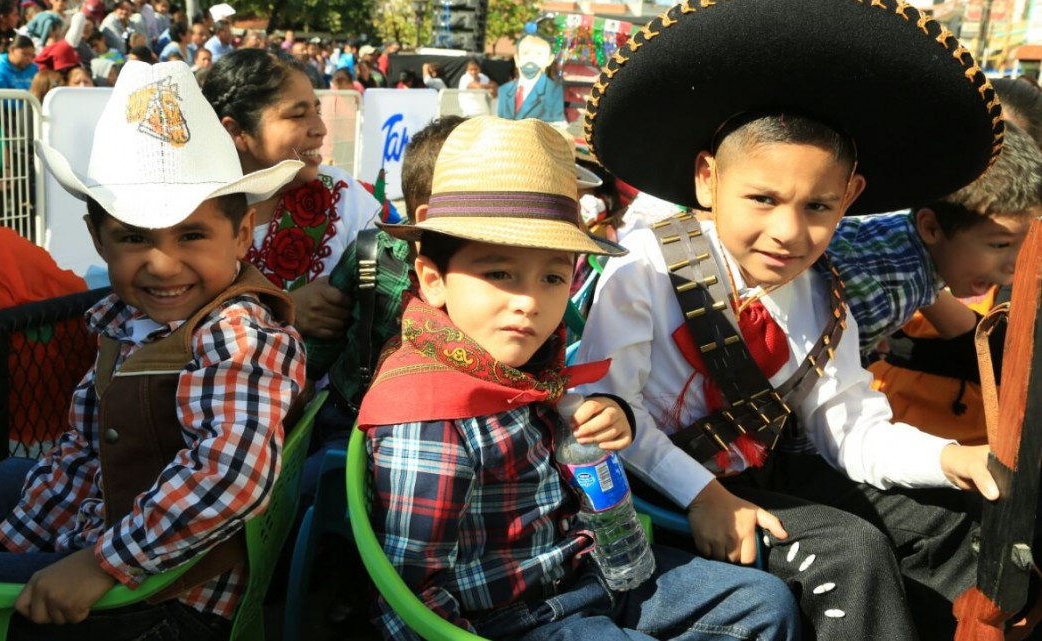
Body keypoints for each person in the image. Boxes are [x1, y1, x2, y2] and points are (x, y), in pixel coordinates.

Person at [576, 1, 1009, 639]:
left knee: (950, 522)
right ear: (707, 179)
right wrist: (703, 495)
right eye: (762, 199)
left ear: (852, 198)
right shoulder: (644, 270)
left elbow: (853, 431)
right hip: (652, 492)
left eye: (818, 206)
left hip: (760, 478)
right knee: (847, 551)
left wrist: (953, 459)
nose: (788, 231)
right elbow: (604, 415)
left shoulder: (820, 296)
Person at [0, 60, 307, 641]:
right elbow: (85, 448)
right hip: (140, 550)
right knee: (2, 485)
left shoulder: (237, 332)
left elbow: (230, 473)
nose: (163, 264)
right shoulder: (129, 320)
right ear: (99, 239)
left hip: (170, 597)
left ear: (241, 236)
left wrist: (95, 566)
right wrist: (43, 554)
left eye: (191, 235)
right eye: (135, 237)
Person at [357, 116, 801, 641]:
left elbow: (575, 455)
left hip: (590, 577)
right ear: (433, 280)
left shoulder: (527, 367)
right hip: (513, 620)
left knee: (764, 603)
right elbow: (409, 598)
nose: (528, 301)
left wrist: (617, 417)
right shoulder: (428, 412)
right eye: (498, 273)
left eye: (552, 277)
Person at [845, 123, 1042, 445]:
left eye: (1027, 244)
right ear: (931, 228)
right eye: (1000, 245)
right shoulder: (886, 290)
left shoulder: (901, 238)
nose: (1015, 264)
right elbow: (817, 383)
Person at [301, 114, 465, 494]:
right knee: (312, 495)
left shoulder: (485, 278)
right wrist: (303, 387)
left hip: (433, 433)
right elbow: (327, 336)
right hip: (348, 417)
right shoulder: (370, 253)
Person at [203, 49, 381, 340]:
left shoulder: (344, 197)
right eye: (298, 115)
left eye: (317, 111)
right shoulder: (190, 211)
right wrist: (283, 311)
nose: (321, 129)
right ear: (237, 131)